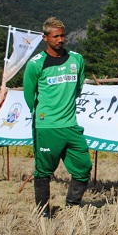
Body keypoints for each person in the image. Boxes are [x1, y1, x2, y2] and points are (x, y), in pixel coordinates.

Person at [23, 17, 91, 218]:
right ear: (45, 38)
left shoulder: (76, 59)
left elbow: (78, 88)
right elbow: (30, 96)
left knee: (83, 166)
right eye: (56, 36)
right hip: (47, 127)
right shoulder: (36, 64)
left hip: (71, 125)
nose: (60, 39)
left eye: (63, 35)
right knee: (44, 171)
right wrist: (44, 116)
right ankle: (43, 211)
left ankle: (73, 203)